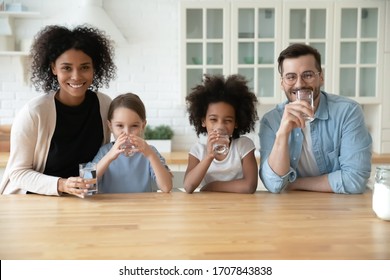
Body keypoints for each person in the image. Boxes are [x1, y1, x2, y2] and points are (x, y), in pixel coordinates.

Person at [0, 24, 117, 197]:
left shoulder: (105, 105)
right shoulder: (35, 112)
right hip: (34, 202)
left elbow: (110, 153)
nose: (76, 76)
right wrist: (62, 185)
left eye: (84, 67)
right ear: (54, 68)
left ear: (94, 68)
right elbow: (18, 173)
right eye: (67, 68)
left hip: (85, 201)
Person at [259, 43, 372, 194]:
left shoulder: (348, 112)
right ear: (282, 83)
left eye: (307, 75)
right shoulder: (271, 120)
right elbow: (273, 184)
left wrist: (295, 183)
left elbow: (355, 180)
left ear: (321, 78)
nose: (299, 84)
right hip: (290, 207)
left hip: (340, 208)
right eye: (291, 77)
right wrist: (282, 133)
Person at [184, 74, 259, 194]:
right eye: (213, 120)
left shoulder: (243, 146)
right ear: (203, 121)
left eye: (228, 121)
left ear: (236, 123)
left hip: (241, 207)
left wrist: (211, 186)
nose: (220, 126)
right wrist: (209, 156)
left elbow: (249, 186)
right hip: (208, 209)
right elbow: (188, 187)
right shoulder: (198, 150)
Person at [91, 93, 172, 193]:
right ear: (110, 126)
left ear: (143, 125)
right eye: (120, 125)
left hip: (142, 207)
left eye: (134, 126)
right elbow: (87, 182)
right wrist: (109, 157)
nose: (127, 132)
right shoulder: (105, 151)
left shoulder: (150, 151)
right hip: (110, 207)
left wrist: (151, 155)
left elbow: (166, 187)